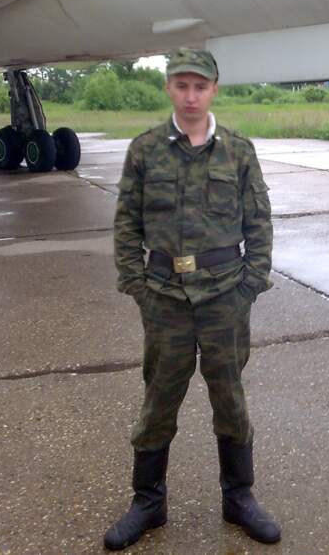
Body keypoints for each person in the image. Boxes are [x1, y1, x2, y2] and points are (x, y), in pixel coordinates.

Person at [104, 48, 281, 550]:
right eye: (181, 85)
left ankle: (239, 497)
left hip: (225, 295)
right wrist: (138, 286)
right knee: (159, 398)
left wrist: (250, 285)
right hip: (164, 297)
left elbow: (259, 223)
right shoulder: (145, 150)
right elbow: (126, 223)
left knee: (229, 395)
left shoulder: (238, 152)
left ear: (213, 90)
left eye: (199, 86)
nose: (190, 96)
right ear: (168, 88)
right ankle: (148, 502)